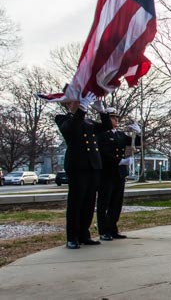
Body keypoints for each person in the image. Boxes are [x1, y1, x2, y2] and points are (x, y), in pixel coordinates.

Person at [55, 92, 112, 249]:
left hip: (93, 165)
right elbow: (71, 128)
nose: (80, 103)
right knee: (76, 202)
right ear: (68, 104)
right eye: (77, 102)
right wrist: (82, 109)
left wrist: (102, 111)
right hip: (77, 166)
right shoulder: (63, 118)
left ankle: (84, 234)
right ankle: (72, 237)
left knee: (88, 202)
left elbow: (106, 127)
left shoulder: (87, 121)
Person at [96, 109, 141, 241]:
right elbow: (103, 153)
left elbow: (135, 142)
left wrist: (138, 133)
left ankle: (112, 229)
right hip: (107, 172)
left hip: (119, 174)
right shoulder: (101, 134)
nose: (115, 120)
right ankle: (103, 231)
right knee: (104, 203)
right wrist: (120, 160)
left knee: (116, 203)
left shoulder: (120, 135)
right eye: (112, 118)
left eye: (116, 118)